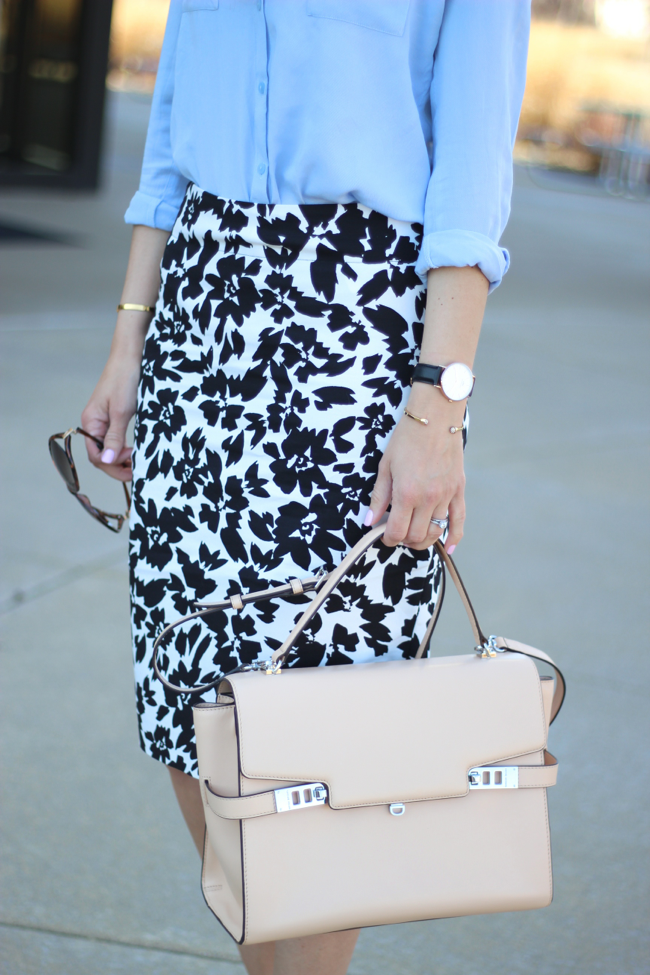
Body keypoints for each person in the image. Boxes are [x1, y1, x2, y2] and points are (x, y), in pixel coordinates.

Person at [81, 2, 530, 972]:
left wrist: (437, 404)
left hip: (356, 343)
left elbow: (470, 173)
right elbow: (168, 144)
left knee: (335, 727)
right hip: (199, 319)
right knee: (189, 697)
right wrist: (127, 345)